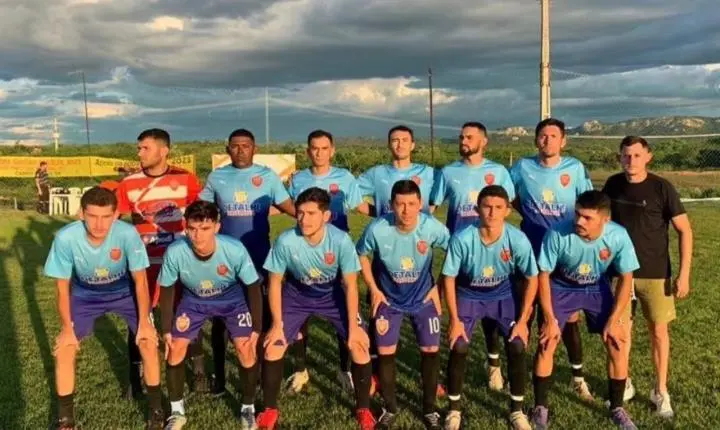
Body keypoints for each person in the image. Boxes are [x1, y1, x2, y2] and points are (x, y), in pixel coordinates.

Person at [43, 187, 163, 430]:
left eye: (106, 216)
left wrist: (144, 323)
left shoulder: (127, 234)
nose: (99, 224)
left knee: (148, 342)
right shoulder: (65, 238)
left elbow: (140, 281)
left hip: (124, 292)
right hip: (85, 295)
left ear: (116, 215)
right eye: (92, 216)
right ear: (81, 214)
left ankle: (156, 411)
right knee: (65, 348)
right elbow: (62, 288)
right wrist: (66, 329)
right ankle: (65, 420)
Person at [256, 187, 375, 430]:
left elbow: (351, 285)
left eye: (311, 213)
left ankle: (364, 409)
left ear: (326, 216)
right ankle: (269, 411)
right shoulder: (286, 241)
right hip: (297, 295)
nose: (304, 219)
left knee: (359, 346)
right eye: (300, 213)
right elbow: (275, 282)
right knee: (273, 347)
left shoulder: (340, 240)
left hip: (332, 295)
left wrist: (354, 327)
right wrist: (277, 324)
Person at [530, 190, 640, 430]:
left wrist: (615, 319)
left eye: (587, 218)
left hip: (595, 287)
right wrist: (549, 317)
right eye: (577, 214)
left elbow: (626, 277)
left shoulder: (618, 236)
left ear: (605, 220)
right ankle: (540, 408)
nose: (579, 221)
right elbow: (543, 275)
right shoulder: (557, 232)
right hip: (561, 287)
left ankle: (617, 408)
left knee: (617, 342)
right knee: (547, 342)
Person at [199, 128, 296, 395]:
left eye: (246, 145)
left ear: (255, 148)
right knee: (219, 319)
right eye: (235, 146)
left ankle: (262, 373)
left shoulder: (267, 177)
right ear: (227, 149)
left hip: (258, 258)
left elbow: (290, 208)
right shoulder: (217, 177)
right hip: (224, 261)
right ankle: (219, 377)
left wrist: (317, 220)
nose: (240, 150)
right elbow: (202, 212)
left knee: (260, 317)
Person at [602, 136, 693, 418]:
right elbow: (602, 225)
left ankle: (660, 390)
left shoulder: (662, 187)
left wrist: (684, 274)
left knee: (659, 332)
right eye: (626, 155)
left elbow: (685, 230)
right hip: (620, 274)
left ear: (648, 157)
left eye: (637, 155)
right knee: (620, 332)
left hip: (655, 274)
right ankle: (624, 383)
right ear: (620, 157)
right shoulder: (612, 185)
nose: (631, 160)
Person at [510, 118, 598, 401]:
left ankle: (578, 377)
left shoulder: (574, 168)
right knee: (525, 311)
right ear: (536, 140)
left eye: (553, 136)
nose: (547, 140)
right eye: (543, 136)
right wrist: (526, 212)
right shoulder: (522, 167)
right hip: (531, 249)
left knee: (569, 317)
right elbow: (508, 196)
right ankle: (517, 375)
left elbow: (588, 204)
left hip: (565, 253)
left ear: (563, 141)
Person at [115, 129, 207, 398]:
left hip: (179, 262)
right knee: (139, 318)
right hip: (143, 265)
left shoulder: (186, 179)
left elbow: (201, 216)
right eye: (139, 148)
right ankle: (136, 377)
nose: (139, 153)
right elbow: (112, 219)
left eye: (145, 148)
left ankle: (198, 370)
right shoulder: (128, 184)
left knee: (187, 314)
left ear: (164, 150)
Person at [158, 201, 264, 430]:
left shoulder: (234, 249)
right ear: (185, 227)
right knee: (175, 347)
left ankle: (248, 409)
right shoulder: (175, 251)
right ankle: (177, 413)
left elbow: (253, 286)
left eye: (205, 228)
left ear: (217, 227)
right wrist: (166, 329)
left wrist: (256, 327)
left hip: (232, 300)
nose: (198, 235)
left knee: (245, 348)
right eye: (192, 228)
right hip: (193, 301)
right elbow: (166, 289)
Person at [441, 185, 538, 430]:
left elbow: (532, 277)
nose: (492, 213)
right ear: (477, 209)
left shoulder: (517, 239)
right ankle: (454, 410)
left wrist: (523, 321)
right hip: (469, 294)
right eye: (486, 206)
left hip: (503, 294)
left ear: (507, 211)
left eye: (498, 207)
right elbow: (449, 278)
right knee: (459, 345)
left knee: (517, 345)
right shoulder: (462, 238)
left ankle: (517, 411)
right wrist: (454, 320)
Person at [357, 180, 450, 430]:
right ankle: (390, 408)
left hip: (423, 299)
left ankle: (429, 409)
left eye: (411, 204)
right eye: (400, 204)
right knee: (386, 353)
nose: (406, 210)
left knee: (430, 350)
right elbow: (361, 254)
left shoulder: (431, 227)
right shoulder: (378, 228)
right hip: (389, 300)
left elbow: (455, 250)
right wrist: (374, 289)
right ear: (391, 205)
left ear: (420, 204)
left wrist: (439, 286)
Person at [430, 121, 516, 392]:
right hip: (460, 257)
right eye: (461, 137)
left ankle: (494, 365)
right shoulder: (448, 172)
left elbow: (509, 207)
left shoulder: (498, 171)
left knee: (493, 313)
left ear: (484, 141)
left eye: (469, 137)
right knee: (454, 313)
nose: (463, 141)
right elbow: (431, 208)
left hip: (493, 255)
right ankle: (448, 371)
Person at [285, 129, 371, 393]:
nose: (319, 153)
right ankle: (301, 370)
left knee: (344, 312)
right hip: (305, 254)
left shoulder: (345, 178)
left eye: (324, 148)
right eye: (314, 148)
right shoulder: (298, 179)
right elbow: (286, 207)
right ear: (307, 151)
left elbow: (360, 206)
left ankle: (344, 369)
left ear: (332, 150)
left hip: (337, 255)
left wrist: (392, 215)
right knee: (300, 315)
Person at [357, 125, 436, 216]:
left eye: (405, 140)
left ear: (412, 145)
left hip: (420, 226)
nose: (400, 145)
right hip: (388, 225)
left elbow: (442, 195)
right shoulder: (376, 174)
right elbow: (351, 195)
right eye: (395, 140)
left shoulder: (428, 172)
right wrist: (378, 213)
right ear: (389, 145)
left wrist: (428, 213)